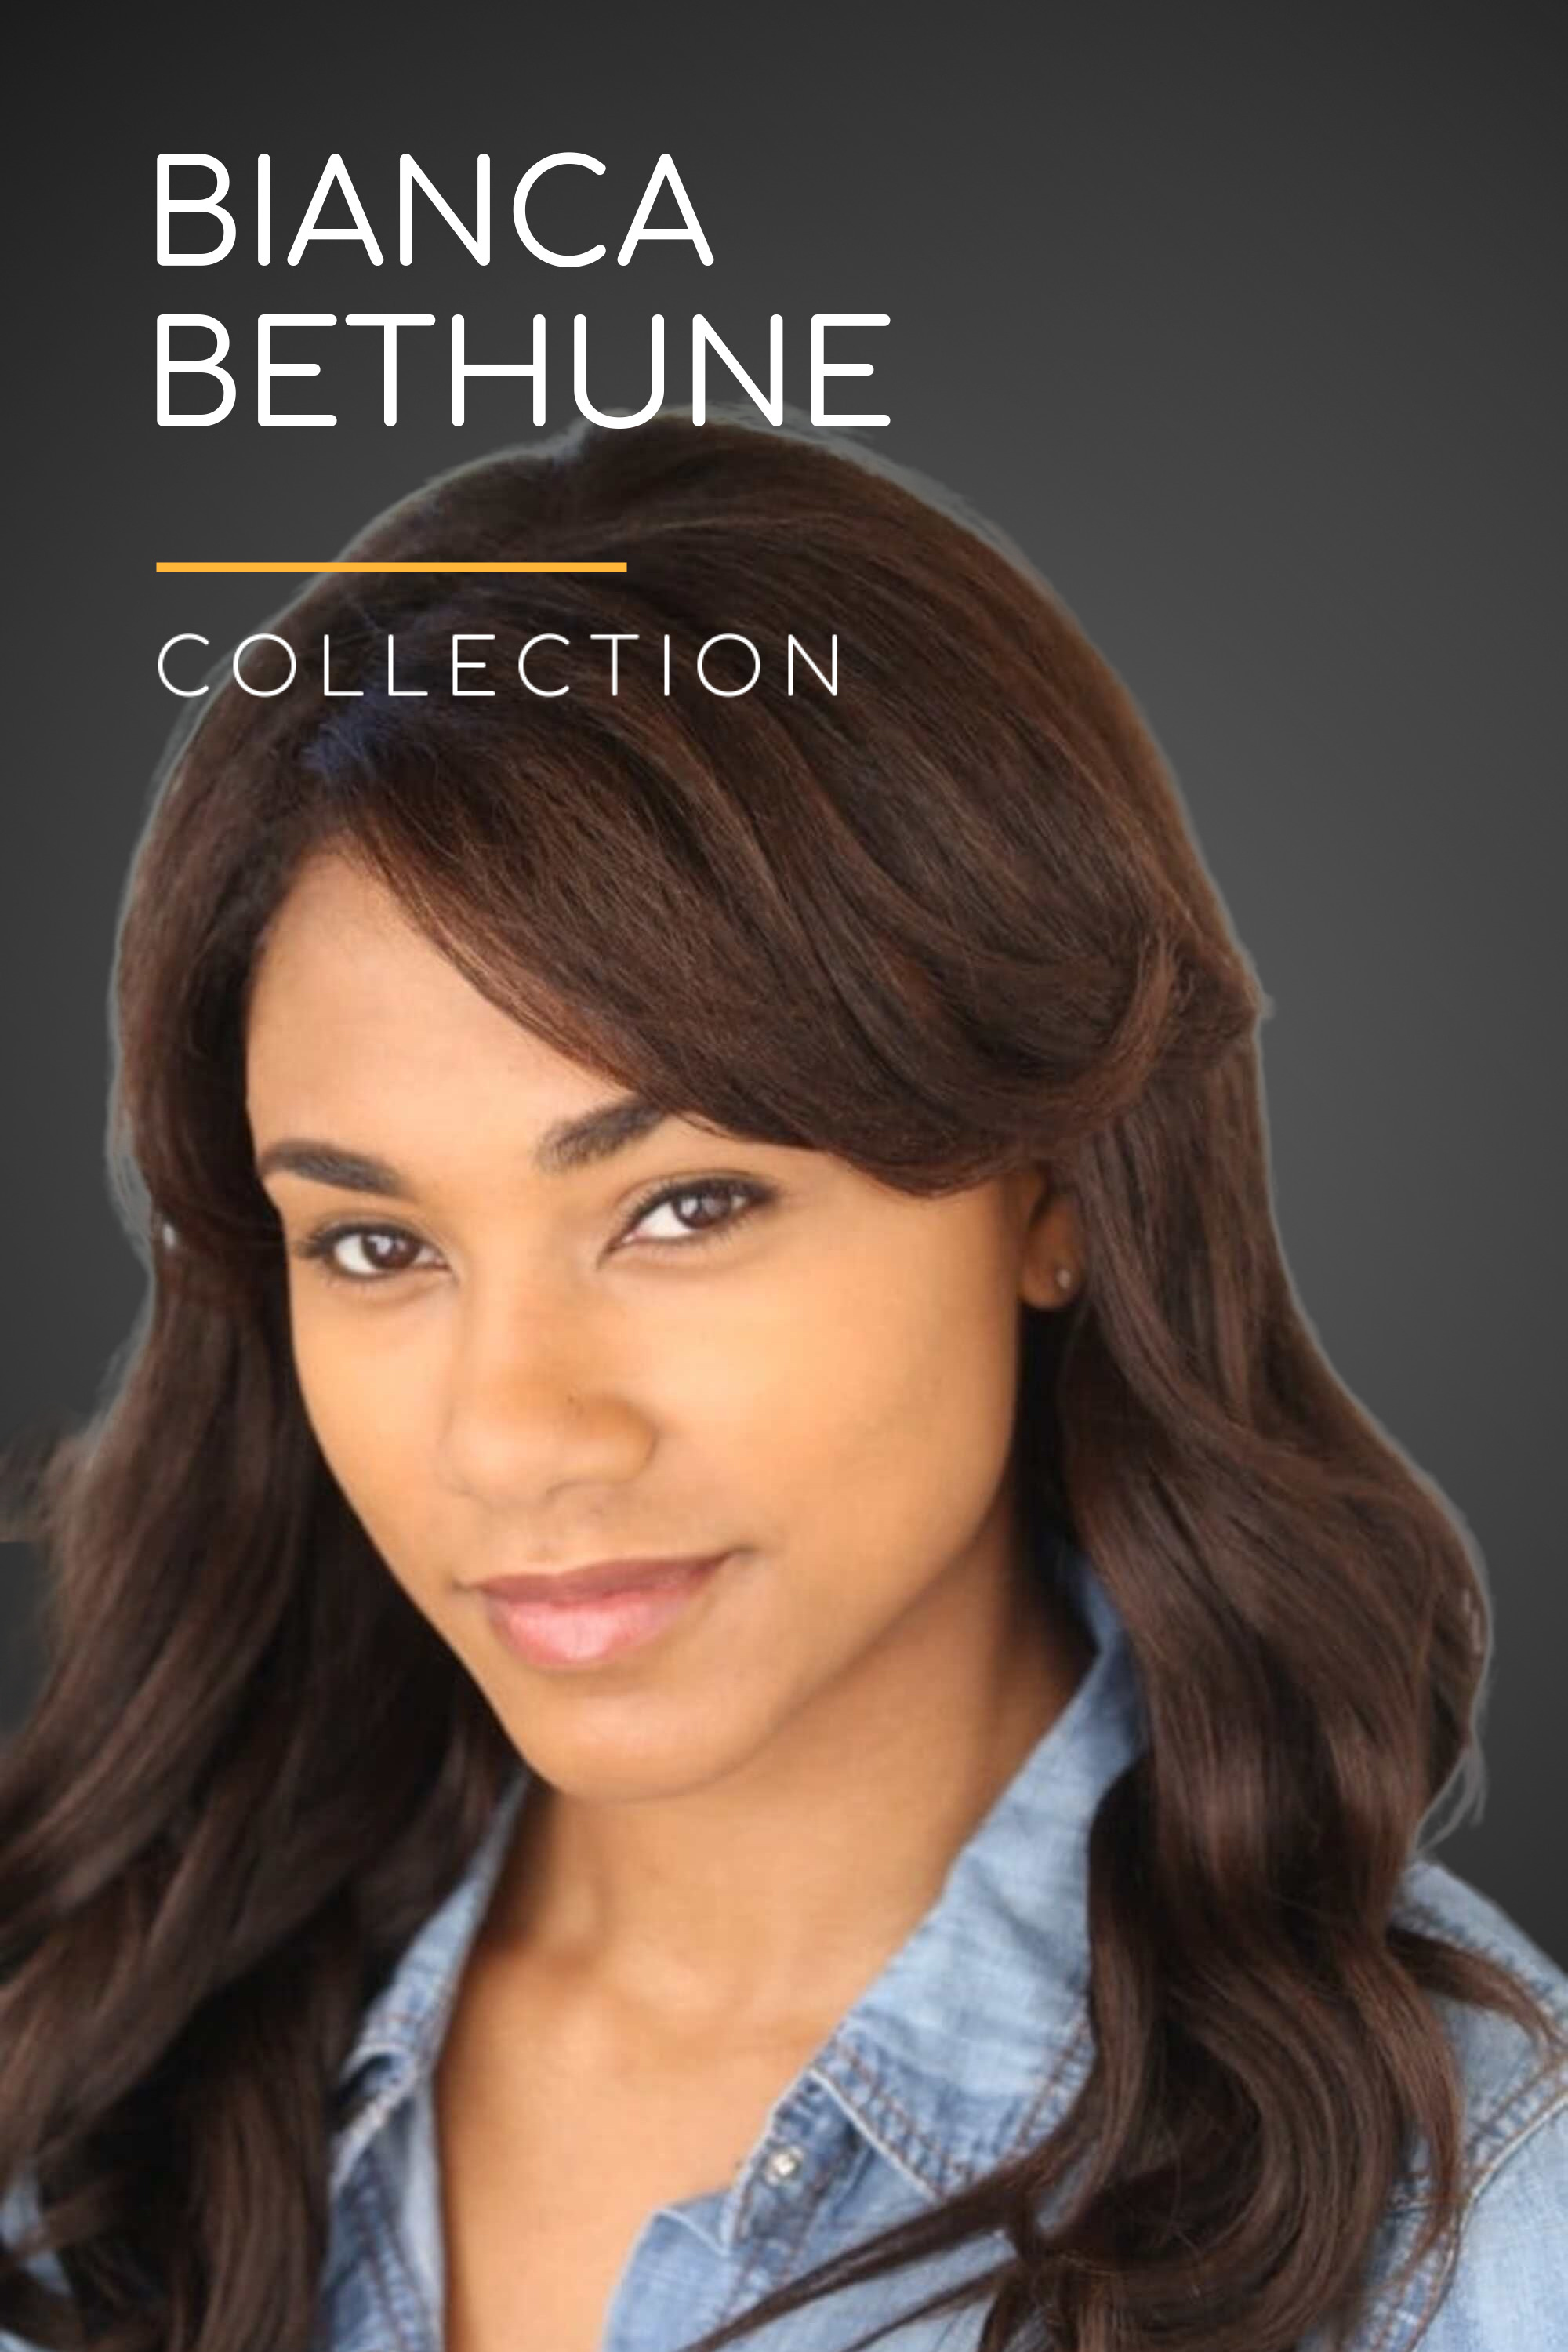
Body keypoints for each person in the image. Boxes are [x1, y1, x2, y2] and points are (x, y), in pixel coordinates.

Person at [0, 415, 1563, 2352]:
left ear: (1053, 1190)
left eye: (684, 1207)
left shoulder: (1469, 2229)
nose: (512, 1435)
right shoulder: (87, 2085)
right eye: (378, 1246)